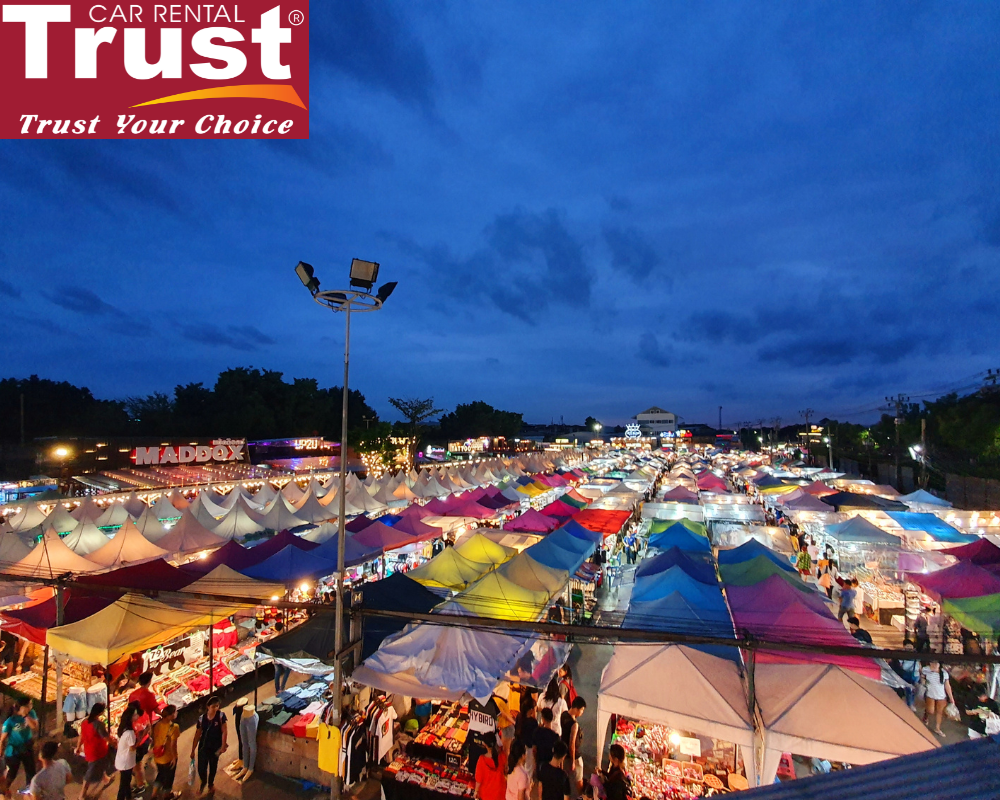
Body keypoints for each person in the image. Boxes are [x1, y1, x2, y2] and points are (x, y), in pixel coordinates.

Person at [190, 696, 228, 796]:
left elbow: (224, 731)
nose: (216, 708)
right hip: (203, 747)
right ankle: (203, 782)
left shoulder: (221, 716)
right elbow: (197, 734)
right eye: (213, 706)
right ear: (208, 707)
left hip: (215, 747)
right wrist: (193, 750)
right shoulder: (202, 719)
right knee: (201, 768)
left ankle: (210, 784)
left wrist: (223, 745)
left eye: (217, 706)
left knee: (213, 766)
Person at [78, 703, 115, 800]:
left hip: (89, 749)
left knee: (101, 765)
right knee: (90, 773)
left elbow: (81, 736)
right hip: (97, 751)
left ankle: (106, 779)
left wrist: (78, 747)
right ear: (101, 712)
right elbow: (106, 738)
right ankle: (82, 794)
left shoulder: (85, 722)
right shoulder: (99, 724)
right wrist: (114, 743)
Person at [1, 698, 39, 790]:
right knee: (12, 774)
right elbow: (2, 738)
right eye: (29, 704)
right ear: (22, 707)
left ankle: (30, 792)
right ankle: (3, 791)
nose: (31, 706)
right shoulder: (11, 720)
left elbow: (34, 726)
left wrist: (25, 716)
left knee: (31, 772)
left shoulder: (31, 713)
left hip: (27, 746)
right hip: (14, 751)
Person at [128, 673, 156, 793]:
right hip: (142, 735)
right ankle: (141, 784)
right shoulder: (148, 695)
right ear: (149, 681)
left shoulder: (132, 694)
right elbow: (155, 709)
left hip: (137, 733)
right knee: (138, 763)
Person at [151, 705, 179, 800]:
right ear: (170, 716)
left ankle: (154, 795)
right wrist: (174, 758)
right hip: (168, 757)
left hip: (158, 756)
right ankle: (167, 795)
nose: (177, 713)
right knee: (169, 778)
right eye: (175, 712)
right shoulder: (174, 727)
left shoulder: (157, 725)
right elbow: (173, 745)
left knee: (161, 774)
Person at [921, 661, 954, 737]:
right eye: (932, 663)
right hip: (930, 694)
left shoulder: (944, 673)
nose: (934, 665)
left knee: (940, 712)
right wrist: (924, 682)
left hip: (941, 696)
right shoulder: (926, 670)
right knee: (931, 710)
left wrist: (951, 698)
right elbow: (922, 677)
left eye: (936, 664)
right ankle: (926, 715)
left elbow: (947, 686)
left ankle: (937, 728)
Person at [560, 698, 586, 793]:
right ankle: (581, 797)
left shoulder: (563, 715)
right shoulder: (574, 725)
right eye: (582, 710)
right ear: (576, 708)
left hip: (563, 754)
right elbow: (572, 745)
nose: (582, 712)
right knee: (579, 779)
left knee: (565, 780)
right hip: (574, 756)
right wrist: (573, 761)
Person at [114, 705, 138, 800]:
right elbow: (132, 748)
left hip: (121, 759)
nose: (137, 716)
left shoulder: (122, 728)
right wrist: (140, 738)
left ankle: (129, 798)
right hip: (126, 762)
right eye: (135, 715)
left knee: (126, 783)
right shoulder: (130, 733)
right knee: (124, 785)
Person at [532, 709, 560, 777]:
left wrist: (535, 762)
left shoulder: (537, 731)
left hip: (540, 762)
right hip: (551, 764)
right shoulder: (555, 736)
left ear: (543, 719)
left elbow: (534, 750)